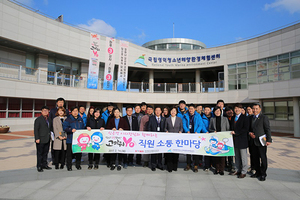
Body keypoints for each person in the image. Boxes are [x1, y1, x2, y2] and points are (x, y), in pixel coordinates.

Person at [249, 103, 272, 181]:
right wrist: (250, 133)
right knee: (255, 158)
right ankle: (257, 172)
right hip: (253, 141)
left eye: (256, 108)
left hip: (262, 141)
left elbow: (267, 129)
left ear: (260, 109)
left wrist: (269, 140)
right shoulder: (251, 118)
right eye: (253, 108)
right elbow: (249, 128)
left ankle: (263, 173)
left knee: (263, 157)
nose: (255, 110)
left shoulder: (263, 117)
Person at [183, 103, 208, 173]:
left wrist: (197, 131)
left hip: (196, 135)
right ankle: (188, 164)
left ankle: (196, 165)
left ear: (194, 109)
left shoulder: (198, 116)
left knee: (196, 151)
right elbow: (184, 124)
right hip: (188, 135)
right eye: (189, 109)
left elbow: (200, 125)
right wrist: (187, 130)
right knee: (188, 151)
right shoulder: (185, 115)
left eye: (192, 109)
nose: (190, 110)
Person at [229, 103, 249, 178]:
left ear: (241, 109)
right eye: (235, 108)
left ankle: (244, 171)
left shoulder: (245, 118)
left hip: (242, 140)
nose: (237, 110)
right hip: (235, 140)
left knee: (243, 157)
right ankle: (238, 170)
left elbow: (245, 129)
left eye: (238, 108)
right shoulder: (233, 117)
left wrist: (236, 132)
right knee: (237, 156)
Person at [209, 106, 230, 175]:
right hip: (216, 138)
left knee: (222, 155)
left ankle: (221, 169)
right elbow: (210, 128)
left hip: (222, 139)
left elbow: (228, 128)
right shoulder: (212, 119)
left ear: (221, 112)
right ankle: (217, 169)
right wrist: (213, 131)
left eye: (218, 111)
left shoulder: (225, 119)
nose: (217, 112)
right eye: (216, 111)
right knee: (216, 154)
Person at [63, 106, 85, 171]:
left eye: (76, 111)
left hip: (79, 140)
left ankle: (78, 165)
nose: (75, 112)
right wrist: (70, 130)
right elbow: (65, 128)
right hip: (70, 139)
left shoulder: (80, 119)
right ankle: (69, 166)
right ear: (71, 112)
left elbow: (83, 127)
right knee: (69, 154)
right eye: (74, 111)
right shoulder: (68, 119)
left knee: (78, 153)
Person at [49, 97, 69, 166]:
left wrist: (64, 135)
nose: (61, 103)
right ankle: (55, 161)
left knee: (63, 147)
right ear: (57, 103)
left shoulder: (66, 111)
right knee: (55, 147)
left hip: (63, 132)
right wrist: (54, 132)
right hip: (55, 131)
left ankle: (62, 161)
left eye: (62, 102)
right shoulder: (52, 110)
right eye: (59, 102)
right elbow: (51, 121)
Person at [164, 107, 183, 172]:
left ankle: (175, 167)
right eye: (172, 111)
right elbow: (165, 128)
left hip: (176, 139)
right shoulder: (167, 119)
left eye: (174, 111)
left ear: (176, 112)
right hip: (169, 139)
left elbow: (181, 128)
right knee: (169, 153)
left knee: (175, 153)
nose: (173, 112)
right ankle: (169, 167)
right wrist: (166, 131)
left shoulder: (179, 119)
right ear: (170, 112)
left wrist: (180, 131)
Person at [34, 106, 52, 172]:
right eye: (44, 110)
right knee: (40, 153)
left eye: (47, 111)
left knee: (45, 153)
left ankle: (44, 164)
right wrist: (37, 138)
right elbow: (36, 130)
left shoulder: (49, 119)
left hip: (47, 139)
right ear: (41, 112)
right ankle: (39, 166)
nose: (45, 112)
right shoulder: (38, 119)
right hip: (40, 139)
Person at [148, 106, 165, 171]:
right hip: (153, 138)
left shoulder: (163, 119)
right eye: (156, 110)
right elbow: (149, 127)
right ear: (154, 111)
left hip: (161, 138)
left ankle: (160, 164)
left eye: (159, 110)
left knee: (160, 152)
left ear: (161, 111)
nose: (158, 112)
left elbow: (164, 128)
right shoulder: (151, 118)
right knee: (153, 152)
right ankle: (153, 165)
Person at [202, 105, 212, 172]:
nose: (206, 111)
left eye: (208, 110)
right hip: (205, 136)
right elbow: (202, 126)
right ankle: (207, 166)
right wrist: (206, 131)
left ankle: (212, 165)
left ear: (210, 110)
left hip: (212, 135)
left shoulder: (213, 117)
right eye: (205, 110)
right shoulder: (202, 117)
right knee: (206, 151)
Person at [246, 105, 255, 174]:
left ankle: (255, 167)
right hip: (249, 138)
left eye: (250, 109)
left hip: (255, 138)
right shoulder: (248, 118)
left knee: (256, 154)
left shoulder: (255, 118)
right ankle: (252, 166)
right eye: (247, 110)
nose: (248, 111)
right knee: (252, 153)